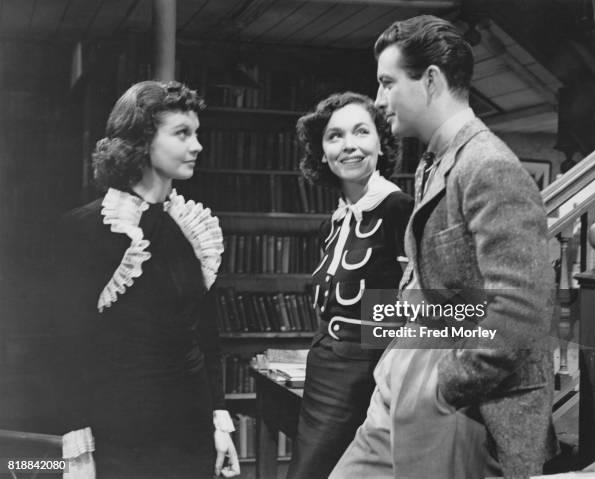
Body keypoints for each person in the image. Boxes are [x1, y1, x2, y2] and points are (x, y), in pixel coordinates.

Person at [331, 16, 557, 479]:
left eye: (388, 83)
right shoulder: (434, 161)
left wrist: (444, 384)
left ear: (430, 80)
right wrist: (397, 356)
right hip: (409, 364)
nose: (379, 100)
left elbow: (521, 307)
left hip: (461, 397)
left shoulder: (489, 165)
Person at [52, 80, 240, 478]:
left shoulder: (192, 228)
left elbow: (207, 337)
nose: (197, 146)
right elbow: (67, 348)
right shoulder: (85, 229)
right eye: (182, 133)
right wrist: (78, 447)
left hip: (190, 427)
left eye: (197, 133)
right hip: (123, 430)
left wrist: (218, 421)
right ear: (141, 141)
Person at [286, 92, 414, 479]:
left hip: (370, 373)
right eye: (335, 136)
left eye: (361, 132)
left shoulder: (399, 209)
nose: (349, 145)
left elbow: (431, 301)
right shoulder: (333, 222)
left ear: (381, 142)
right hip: (325, 367)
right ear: (322, 153)